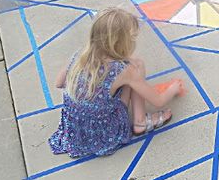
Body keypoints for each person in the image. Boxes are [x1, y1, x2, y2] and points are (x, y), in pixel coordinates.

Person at [48, 8, 184, 158]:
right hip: (105, 133)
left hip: (75, 131)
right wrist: (173, 88)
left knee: (130, 71)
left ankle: (128, 115)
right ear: (120, 42)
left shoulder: (79, 56)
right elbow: (159, 101)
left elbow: (59, 83)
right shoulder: (122, 70)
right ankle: (140, 122)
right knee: (136, 67)